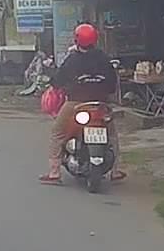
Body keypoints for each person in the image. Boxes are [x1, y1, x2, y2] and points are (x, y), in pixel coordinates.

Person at [40, 23, 125, 184]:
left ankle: (54, 173)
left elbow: (58, 79)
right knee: (112, 136)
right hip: (100, 105)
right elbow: (112, 84)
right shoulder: (103, 58)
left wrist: (55, 85)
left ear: (76, 40)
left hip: (75, 104)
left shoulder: (72, 59)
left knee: (57, 133)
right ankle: (115, 171)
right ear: (95, 39)